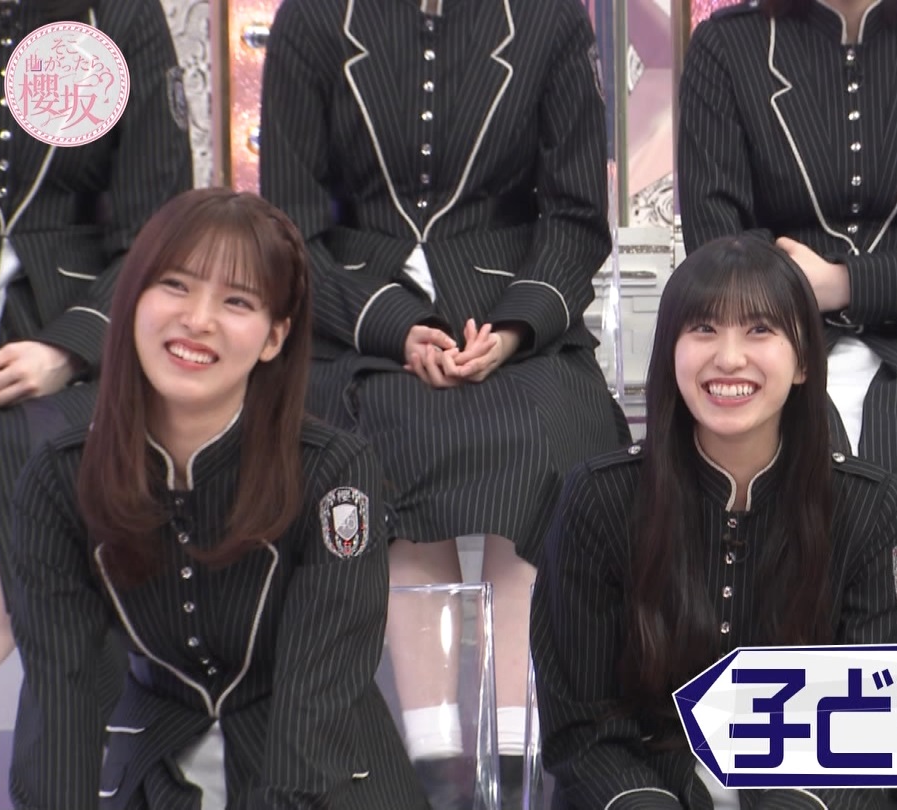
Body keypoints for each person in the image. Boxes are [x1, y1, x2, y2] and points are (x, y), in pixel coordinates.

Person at [257, 0, 630, 783]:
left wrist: (518, 326)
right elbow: (289, 225)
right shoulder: (313, 20)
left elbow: (575, 217)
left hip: (513, 312)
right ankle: (434, 762)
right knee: (378, 449)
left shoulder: (549, 20)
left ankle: (519, 760)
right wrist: (391, 326)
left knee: (545, 447)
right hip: (354, 318)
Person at [0, 188, 426, 809]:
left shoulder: (336, 473)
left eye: (237, 301)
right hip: (151, 769)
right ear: (132, 300)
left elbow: (322, 692)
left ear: (274, 336)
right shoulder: (58, 478)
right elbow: (59, 695)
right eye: (175, 285)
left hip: (324, 783)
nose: (198, 319)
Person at [676, 0, 897, 644]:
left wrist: (847, 284)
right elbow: (716, 239)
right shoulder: (726, 46)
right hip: (777, 327)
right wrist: (793, 294)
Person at [532, 235, 897, 810]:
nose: (729, 358)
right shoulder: (600, 497)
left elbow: (865, 723)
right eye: (704, 329)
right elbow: (582, 728)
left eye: (760, 329)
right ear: (671, 352)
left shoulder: (870, 507)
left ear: (804, 360)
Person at [0, 0, 192, 706]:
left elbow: (158, 233)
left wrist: (70, 349)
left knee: (31, 447)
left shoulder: (121, 17)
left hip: (78, 325)